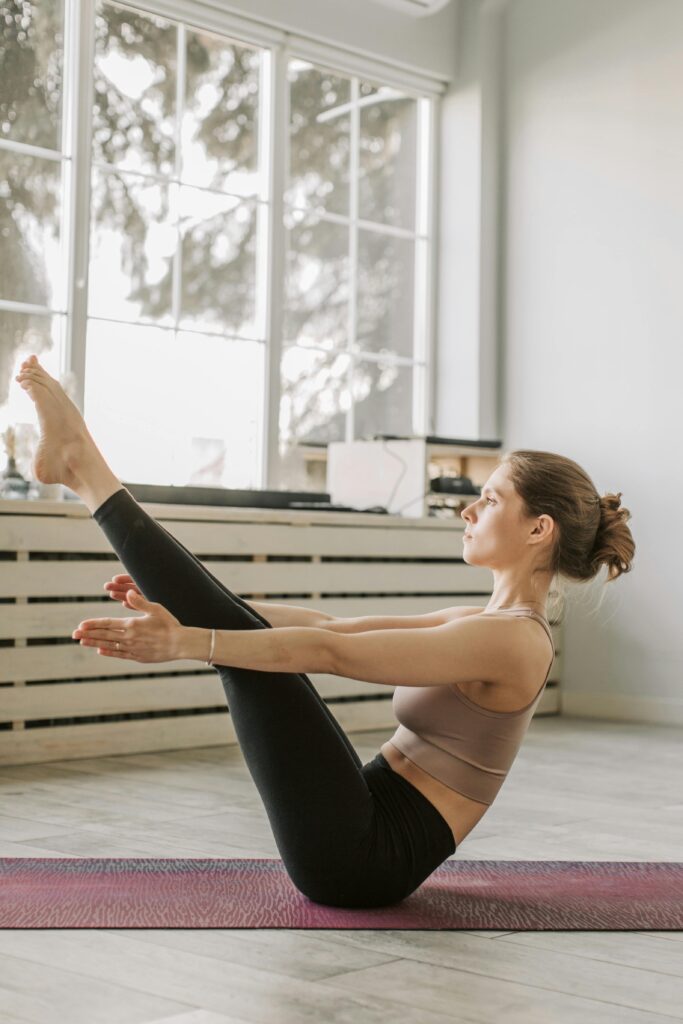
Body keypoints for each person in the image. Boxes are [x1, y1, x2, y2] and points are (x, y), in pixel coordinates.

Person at [15, 356, 636, 908]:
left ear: (539, 530)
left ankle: (85, 471)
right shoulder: (480, 621)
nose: (469, 511)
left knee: (252, 656)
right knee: (246, 639)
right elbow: (332, 624)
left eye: (492, 500)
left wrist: (192, 640)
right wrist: (197, 609)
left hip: (361, 860)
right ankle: (81, 468)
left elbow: (333, 653)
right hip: (361, 825)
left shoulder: (515, 642)